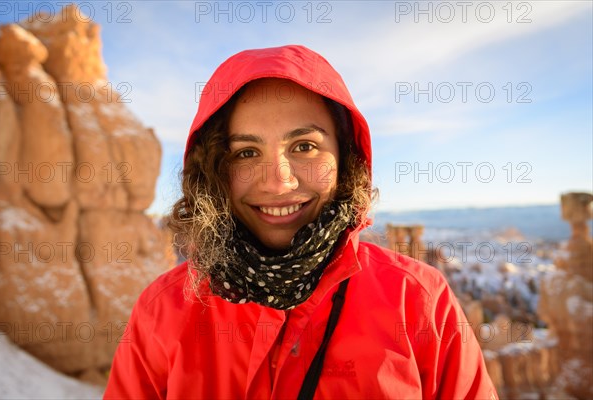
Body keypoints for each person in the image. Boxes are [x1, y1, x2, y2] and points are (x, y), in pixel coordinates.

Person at [104, 45, 498, 399]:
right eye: (245, 153)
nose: (279, 182)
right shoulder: (164, 312)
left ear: (345, 159)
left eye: (304, 147)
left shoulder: (417, 302)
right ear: (213, 171)